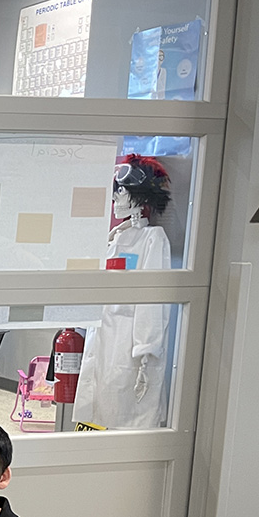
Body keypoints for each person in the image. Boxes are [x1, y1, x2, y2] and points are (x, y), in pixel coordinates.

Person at [72, 154, 172, 430]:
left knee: (123, 418)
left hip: (128, 349)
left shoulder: (152, 239)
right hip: (103, 339)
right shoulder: (115, 239)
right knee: (97, 415)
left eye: (121, 192)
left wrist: (147, 352)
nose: (115, 200)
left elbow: (152, 301)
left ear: (140, 197)